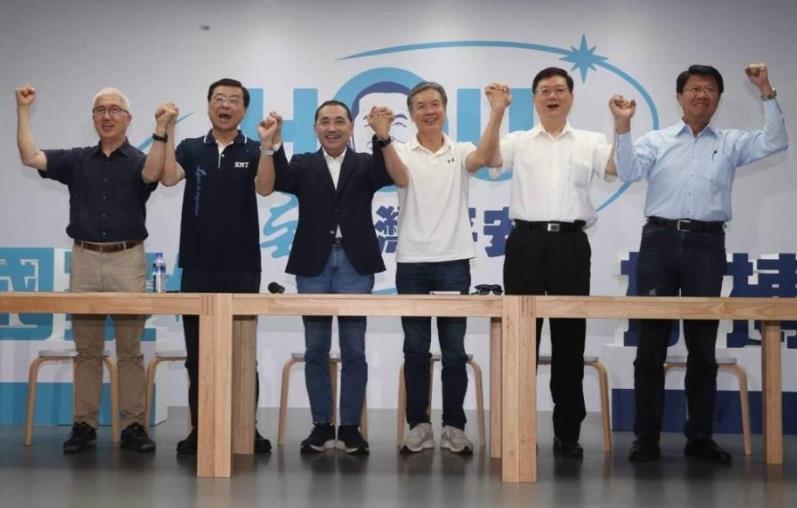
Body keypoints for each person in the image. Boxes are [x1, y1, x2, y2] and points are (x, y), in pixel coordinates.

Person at [610, 63, 788, 463]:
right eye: (694, 88)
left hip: (707, 244)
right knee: (651, 346)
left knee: (703, 347)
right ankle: (646, 437)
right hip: (658, 241)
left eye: (709, 89)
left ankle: (700, 437)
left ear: (718, 98)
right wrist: (622, 127)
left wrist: (765, 89)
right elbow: (628, 171)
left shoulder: (731, 142)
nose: (701, 95)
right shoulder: (657, 140)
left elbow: (776, 141)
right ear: (680, 96)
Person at [15, 83, 168, 453]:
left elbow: (155, 174)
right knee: (87, 350)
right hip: (84, 259)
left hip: (127, 259)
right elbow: (30, 157)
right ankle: (83, 425)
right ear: (93, 119)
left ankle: (133, 425)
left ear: (128, 119)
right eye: (100, 110)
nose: (107, 116)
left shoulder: (141, 160)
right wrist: (23, 110)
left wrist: (162, 129)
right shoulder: (78, 160)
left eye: (115, 109)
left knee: (130, 349)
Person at [257, 100, 406, 454]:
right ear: (315, 128)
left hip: (355, 264)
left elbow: (397, 177)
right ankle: (322, 425)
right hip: (314, 264)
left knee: (354, 349)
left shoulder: (366, 162)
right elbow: (268, 185)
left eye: (340, 121)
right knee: (316, 349)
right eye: (324, 121)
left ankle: (350, 427)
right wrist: (270, 144)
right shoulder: (301, 163)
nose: (332, 127)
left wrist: (383, 136)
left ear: (351, 127)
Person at [489, 67, 617, 458]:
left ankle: (568, 432)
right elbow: (489, 160)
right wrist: (497, 112)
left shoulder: (591, 141)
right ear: (534, 99)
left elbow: (616, 168)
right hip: (525, 243)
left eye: (559, 89)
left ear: (571, 96)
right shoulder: (518, 140)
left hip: (571, 246)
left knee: (569, 340)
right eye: (544, 90)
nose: (552, 96)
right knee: (521, 340)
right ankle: (517, 428)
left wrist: (621, 126)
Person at [393, 81, 510, 454]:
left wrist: (497, 111)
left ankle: (454, 427)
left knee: (454, 351)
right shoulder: (399, 150)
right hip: (411, 263)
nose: (429, 111)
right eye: (421, 106)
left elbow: (487, 158)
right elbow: (395, 175)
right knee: (415, 350)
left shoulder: (459, 150)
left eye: (435, 104)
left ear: (444, 109)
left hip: (453, 263)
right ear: (411, 114)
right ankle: (418, 425)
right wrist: (381, 137)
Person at [157, 78, 272, 455]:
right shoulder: (192, 148)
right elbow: (168, 177)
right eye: (219, 98)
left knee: (242, 354)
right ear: (209, 106)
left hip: (243, 265)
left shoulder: (253, 148)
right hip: (198, 264)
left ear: (244, 110)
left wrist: (268, 147)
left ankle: (247, 428)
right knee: (199, 356)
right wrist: (168, 130)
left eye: (234, 100)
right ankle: (200, 429)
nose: (226, 105)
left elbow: (265, 188)